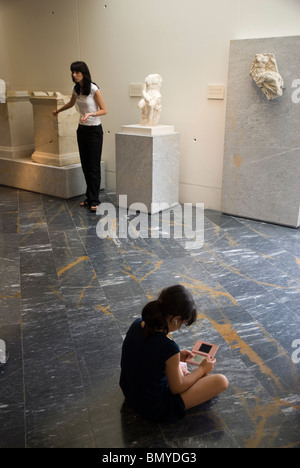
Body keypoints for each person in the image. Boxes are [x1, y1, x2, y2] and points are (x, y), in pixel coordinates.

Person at [120, 285, 228, 423]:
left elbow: (147, 355)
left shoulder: (138, 323)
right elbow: (177, 388)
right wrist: (202, 369)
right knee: (221, 381)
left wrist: (177, 357)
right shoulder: (169, 347)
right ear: (176, 319)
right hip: (153, 407)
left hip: (130, 393)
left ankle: (189, 374)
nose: (179, 326)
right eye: (182, 323)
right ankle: (196, 375)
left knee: (180, 366)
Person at [53, 61, 107, 212]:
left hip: (94, 131)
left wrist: (91, 113)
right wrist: (58, 111)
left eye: (77, 72)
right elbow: (71, 103)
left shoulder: (93, 89)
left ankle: (95, 199)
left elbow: (104, 110)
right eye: (72, 72)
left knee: (94, 166)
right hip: (82, 130)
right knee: (85, 165)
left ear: (84, 72)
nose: (74, 75)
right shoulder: (76, 89)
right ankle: (89, 197)